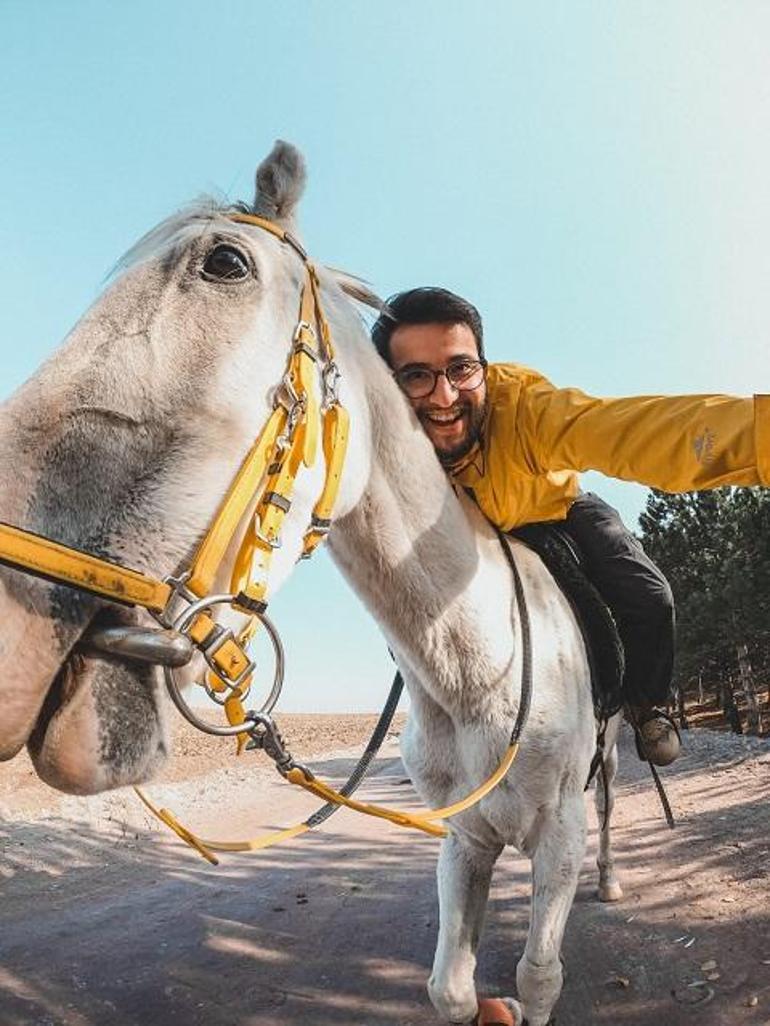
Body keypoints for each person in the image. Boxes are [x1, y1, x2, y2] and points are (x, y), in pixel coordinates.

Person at [371, 287, 769, 766]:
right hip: (471, 538)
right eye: (417, 376)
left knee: (650, 595)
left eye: (461, 368)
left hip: (557, 510)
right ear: (390, 385)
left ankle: (647, 706)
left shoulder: (524, 408)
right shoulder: (390, 444)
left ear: (484, 367)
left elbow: (634, 431)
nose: (445, 395)